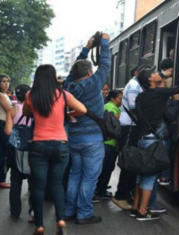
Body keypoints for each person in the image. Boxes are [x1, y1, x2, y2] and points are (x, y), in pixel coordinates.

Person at [130, 51, 179, 221]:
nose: (157, 74)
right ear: (151, 80)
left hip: (142, 140)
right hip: (152, 142)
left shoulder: (141, 97)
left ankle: (136, 207)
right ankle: (143, 211)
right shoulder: (158, 94)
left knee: (141, 176)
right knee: (149, 178)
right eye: (154, 73)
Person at [23, 64, 87, 235]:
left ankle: (39, 226)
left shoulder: (31, 95)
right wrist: (66, 114)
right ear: (54, 77)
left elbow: (26, 113)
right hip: (60, 144)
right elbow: (82, 109)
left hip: (39, 144)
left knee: (38, 187)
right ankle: (60, 221)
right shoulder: (63, 95)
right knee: (57, 184)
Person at [64, 33, 111, 224]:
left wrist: (87, 48)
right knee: (89, 177)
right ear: (89, 73)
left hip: (74, 138)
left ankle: (69, 210)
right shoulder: (94, 83)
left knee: (75, 174)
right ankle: (84, 213)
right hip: (92, 139)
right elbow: (106, 63)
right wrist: (105, 42)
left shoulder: (68, 85)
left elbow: (72, 71)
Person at [112, 65, 146, 210]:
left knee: (132, 163)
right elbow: (134, 107)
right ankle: (120, 196)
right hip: (129, 128)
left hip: (132, 127)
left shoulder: (136, 85)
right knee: (128, 162)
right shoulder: (133, 86)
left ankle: (126, 194)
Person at [4, 84, 33, 221]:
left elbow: (8, 132)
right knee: (34, 182)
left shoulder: (12, 110)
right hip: (32, 149)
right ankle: (33, 211)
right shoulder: (35, 109)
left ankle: (15, 211)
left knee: (15, 182)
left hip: (17, 150)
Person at [95, 89, 123, 200]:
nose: (121, 101)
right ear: (112, 98)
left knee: (107, 168)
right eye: (119, 99)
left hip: (108, 143)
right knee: (106, 168)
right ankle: (100, 191)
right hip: (109, 143)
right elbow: (114, 124)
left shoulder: (110, 106)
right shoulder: (110, 107)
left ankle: (100, 189)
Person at [0, 74, 13, 188]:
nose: (6, 83)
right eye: (4, 81)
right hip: (2, 124)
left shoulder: (4, 94)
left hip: (3, 124)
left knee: (3, 152)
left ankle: (0, 179)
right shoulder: (0, 95)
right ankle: (0, 179)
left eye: (7, 81)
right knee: (4, 153)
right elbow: (9, 110)